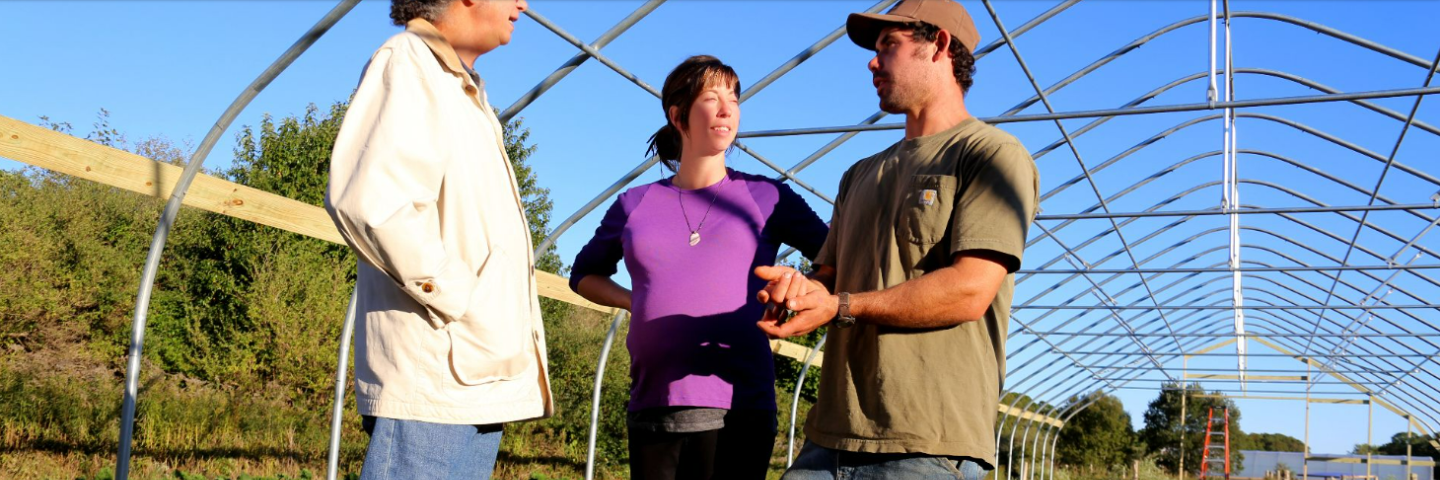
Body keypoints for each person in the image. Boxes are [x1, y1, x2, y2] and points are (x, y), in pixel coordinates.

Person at [754, 1, 1040, 479]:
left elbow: (970, 290)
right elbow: (828, 281)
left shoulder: (990, 154)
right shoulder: (859, 174)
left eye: (890, 44)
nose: (872, 60)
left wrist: (841, 305)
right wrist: (798, 292)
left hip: (927, 443)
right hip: (831, 436)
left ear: (940, 45)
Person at [569, 55, 830, 480]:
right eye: (712, 98)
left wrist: (804, 287)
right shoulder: (634, 204)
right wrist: (638, 303)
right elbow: (584, 274)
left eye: (734, 98)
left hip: (738, 402)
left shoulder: (768, 197)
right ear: (678, 115)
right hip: (652, 400)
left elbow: (834, 255)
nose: (727, 109)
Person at [324, 1, 551, 478]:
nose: (523, 4)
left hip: (473, 372)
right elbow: (373, 202)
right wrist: (457, 296)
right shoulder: (409, 60)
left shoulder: (461, 86)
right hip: (435, 371)